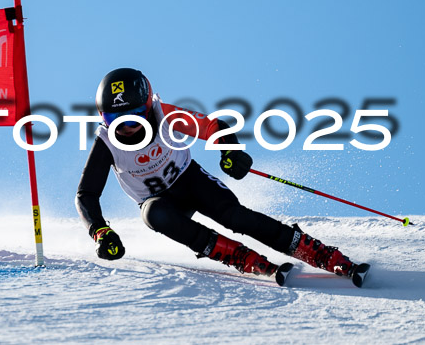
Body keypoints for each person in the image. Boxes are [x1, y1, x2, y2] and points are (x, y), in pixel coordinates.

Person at [75, 67, 365, 284]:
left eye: (134, 116)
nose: (126, 128)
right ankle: (238, 256)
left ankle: (321, 254)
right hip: (158, 201)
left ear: (148, 105)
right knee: (154, 215)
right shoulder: (107, 143)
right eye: (116, 120)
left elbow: (214, 127)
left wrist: (231, 151)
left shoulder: (165, 115)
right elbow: (86, 194)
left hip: (191, 181)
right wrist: (100, 231)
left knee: (235, 217)